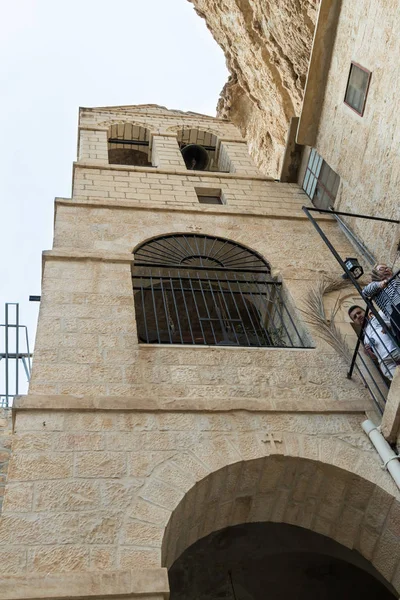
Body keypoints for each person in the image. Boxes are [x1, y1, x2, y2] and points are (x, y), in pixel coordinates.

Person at [348, 304, 400, 381]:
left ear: (365, 312)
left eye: (359, 313)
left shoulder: (378, 317)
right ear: (355, 322)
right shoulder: (365, 338)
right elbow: (374, 357)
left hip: (394, 350)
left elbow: (395, 320)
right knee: (396, 381)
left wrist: (388, 326)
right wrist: (370, 353)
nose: (358, 316)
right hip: (384, 361)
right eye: (355, 317)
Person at [362, 263, 400, 344]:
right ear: (376, 274)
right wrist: (380, 284)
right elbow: (364, 292)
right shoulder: (374, 285)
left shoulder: (397, 278)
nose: (386, 269)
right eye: (381, 269)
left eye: (387, 268)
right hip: (395, 309)